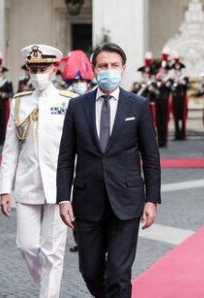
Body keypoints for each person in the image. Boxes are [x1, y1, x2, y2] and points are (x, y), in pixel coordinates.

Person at [56, 43, 161, 298]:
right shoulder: (77, 106)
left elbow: (150, 157)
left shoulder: (137, 105)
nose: (109, 71)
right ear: (94, 69)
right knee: (90, 270)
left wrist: (152, 199)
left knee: (119, 274)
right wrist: (63, 198)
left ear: (123, 69)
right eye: (103, 66)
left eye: (114, 66)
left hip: (126, 201)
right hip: (87, 201)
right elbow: (66, 157)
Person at [0, 44, 76, 298]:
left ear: (54, 69)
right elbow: (10, 150)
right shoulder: (20, 103)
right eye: (33, 69)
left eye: (42, 68)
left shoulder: (69, 102)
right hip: (28, 184)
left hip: (59, 186)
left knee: (53, 252)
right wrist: (4, 190)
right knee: (27, 245)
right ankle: (46, 284)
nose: (37, 73)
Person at [0, 53, 13, 145]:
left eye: (1, 72)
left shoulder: (7, 82)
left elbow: (11, 93)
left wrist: (1, 94)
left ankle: (2, 140)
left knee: (3, 121)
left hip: (3, 104)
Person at [170, 54, 189, 140]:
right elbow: (170, 88)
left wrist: (182, 82)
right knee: (176, 116)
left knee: (183, 116)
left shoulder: (185, 78)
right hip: (175, 98)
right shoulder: (171, 79)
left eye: (179, 69)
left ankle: (183, 134)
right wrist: (174, 81)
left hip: (182, 98)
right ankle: (177, 134)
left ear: (181, 70)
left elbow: (187, 86)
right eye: (176, 69)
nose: (177, 71)